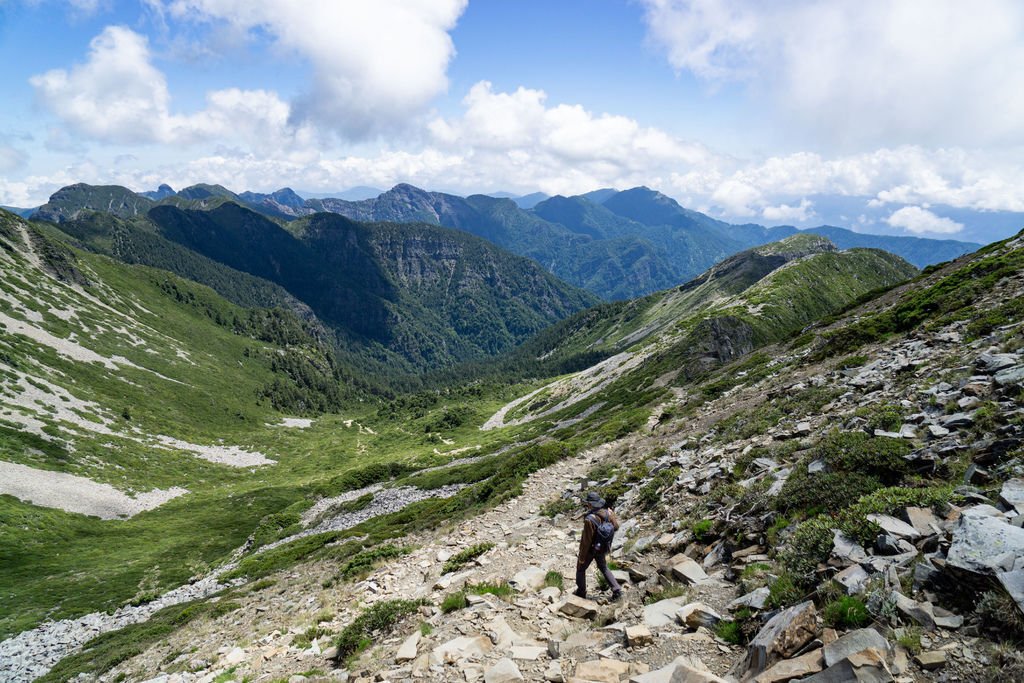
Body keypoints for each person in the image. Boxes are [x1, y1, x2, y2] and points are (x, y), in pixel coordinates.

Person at [575, 491, 622, 601]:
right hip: (603, 547)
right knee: (603, 567)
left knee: (580, 569)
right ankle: (617, 590)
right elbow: (616, 527)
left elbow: (586, 541)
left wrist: (582, 557)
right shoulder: (608, 513)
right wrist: (612, 515)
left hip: (591, 549)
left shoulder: (589, 519)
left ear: (590, 504)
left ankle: (581, 592)